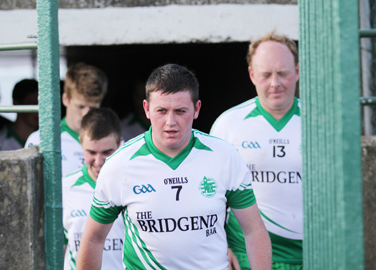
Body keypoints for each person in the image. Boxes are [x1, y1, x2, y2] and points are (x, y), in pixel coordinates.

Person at [76, 64, 271, 270]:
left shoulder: (225, 156)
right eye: (161, 111)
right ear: (146, 109)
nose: (171, 122)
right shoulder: (120, 164)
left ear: (196, 109)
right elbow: (93, 239)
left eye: (180, 111)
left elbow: (254, 230)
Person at [210, 31, 302, 269]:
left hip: (311, 254)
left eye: (282, 73)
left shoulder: (321, 122)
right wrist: (220, 245)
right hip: (245, 255)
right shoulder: (228, 125)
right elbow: (209, 192)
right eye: (266, 75)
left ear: (298, 71)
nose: (275, 83)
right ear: (252, 75)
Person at [63, 107, 124, 270]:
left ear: (120, 143)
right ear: (80, 142)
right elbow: (57, 251)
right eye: (91, 152)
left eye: (107, 152)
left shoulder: (134, 185)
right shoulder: (64, 189)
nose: (98, 161)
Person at [25, 63, 108, 177]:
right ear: (65, 99)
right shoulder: (39, 140)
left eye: (93, 108)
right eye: (80, 106)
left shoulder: (112, 141)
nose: (86, 114)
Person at [0, 79, 39, 150]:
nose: (38, 110)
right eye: (33, 104)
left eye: (41, 105)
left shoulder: (48, 139)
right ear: (16, 103)